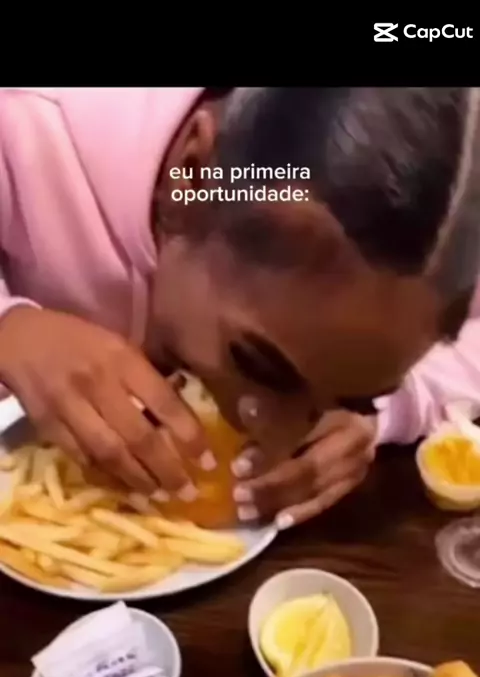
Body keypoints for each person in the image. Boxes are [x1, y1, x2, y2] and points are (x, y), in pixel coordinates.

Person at [0, 86, 479, 530]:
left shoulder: (446, 233)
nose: (278, 436)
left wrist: (385, 408)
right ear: (191, 176)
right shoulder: (26, 125)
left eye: (352, 397)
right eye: (260, 365)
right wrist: (12, 327)